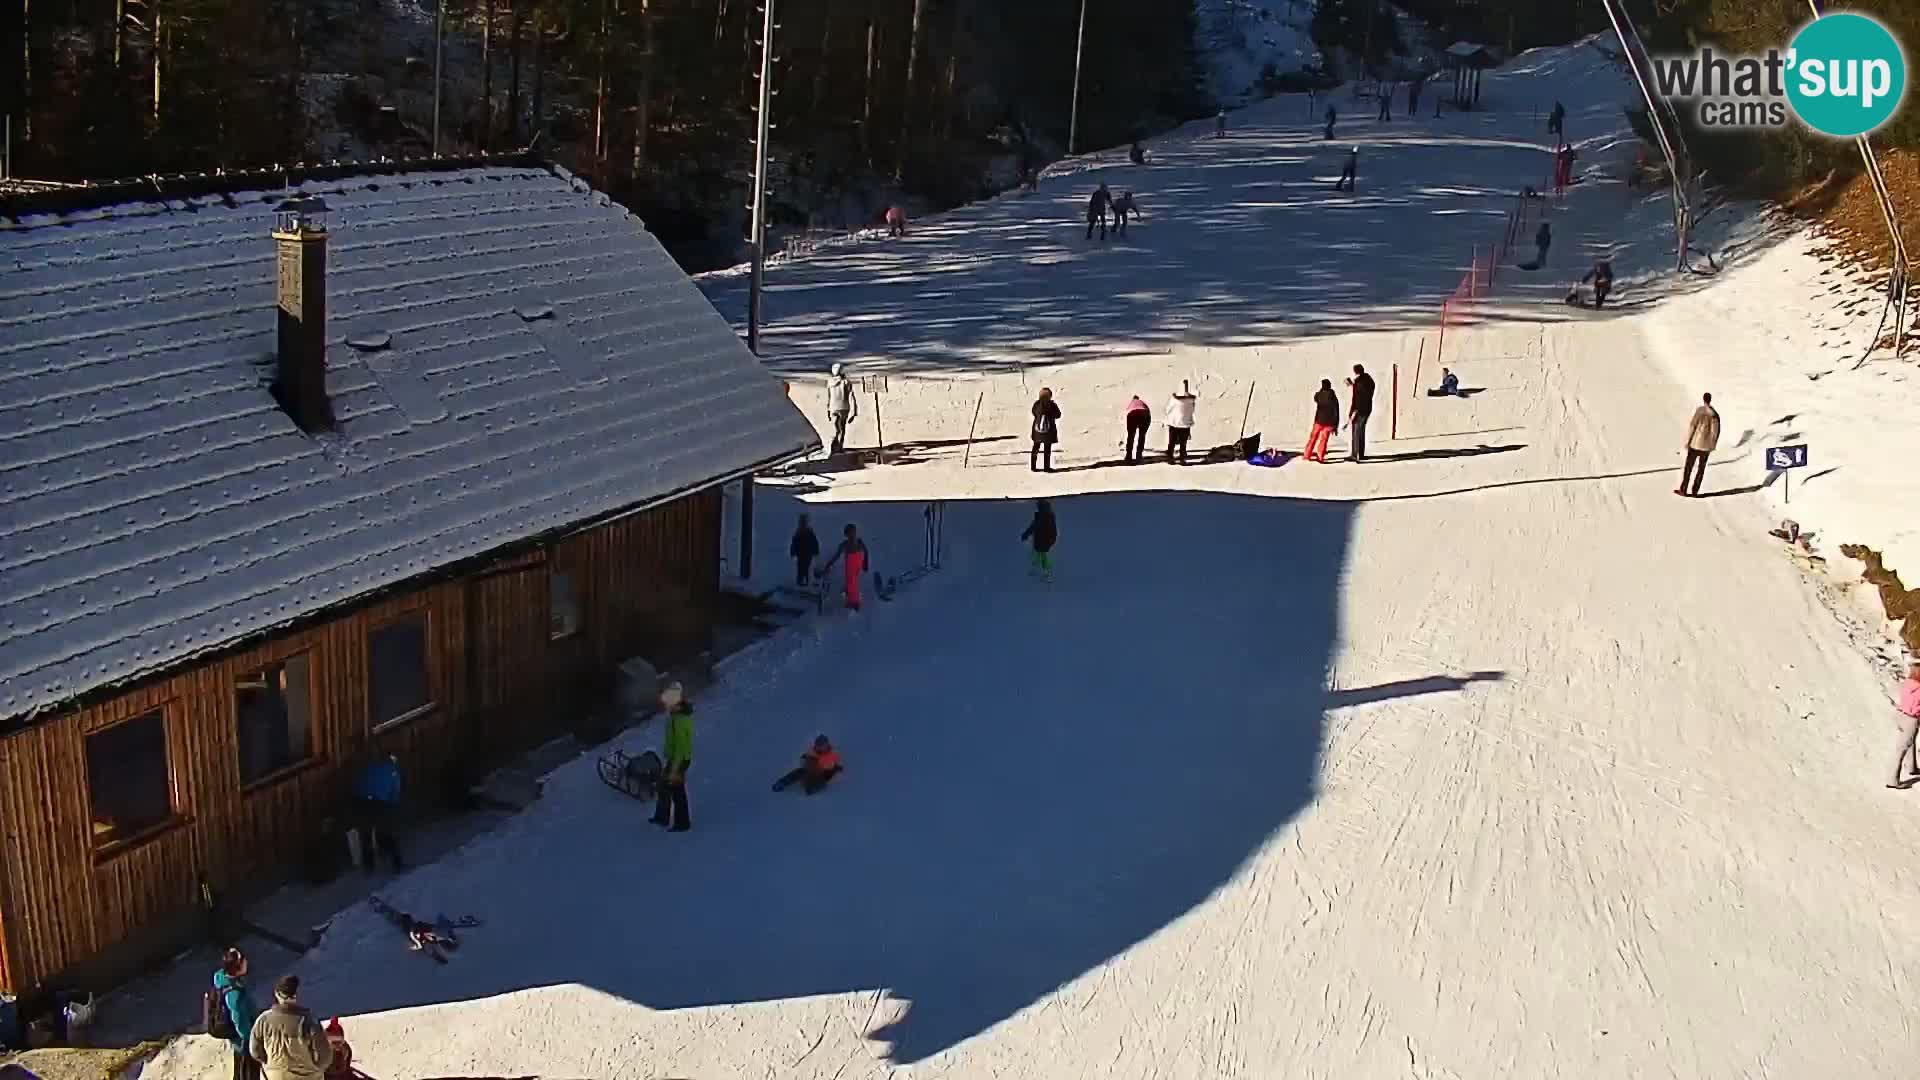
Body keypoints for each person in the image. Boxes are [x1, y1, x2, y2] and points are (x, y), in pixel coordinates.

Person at [248, 976, 332, 1080]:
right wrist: (312, 1069)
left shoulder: (263, 1020)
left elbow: (255, 1051)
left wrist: (271, 1065)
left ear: (277, 994)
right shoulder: (308, 1021)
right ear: (295, 995)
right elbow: (325, 1056)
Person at [649, 683, 694, 831]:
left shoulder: (679, 721)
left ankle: (682, 823)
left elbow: (681, 746)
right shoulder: (675, 718)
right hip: (675, 758)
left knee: (677, 790)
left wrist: (675, 768)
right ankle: (662, 817)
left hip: (679, 760)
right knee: (663, 786)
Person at [214, 949, 263, 1080]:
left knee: (239, 1070)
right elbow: (240, 1023)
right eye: (243, 960)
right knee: (247, 1073)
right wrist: (252, 1040)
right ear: (238, 967)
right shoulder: (235, 996)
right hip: (244, 1042)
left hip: (237, 1040)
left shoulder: (220, 977)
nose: (246, 961)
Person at [353, 751, 404, 872]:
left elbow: (357, 784)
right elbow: (395, 794)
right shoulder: (393, 772)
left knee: (366, 833)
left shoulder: (370, 766)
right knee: (387, 830)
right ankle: (396, 862)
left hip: (361, 801)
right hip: (379, 802)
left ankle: (369, 865)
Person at [1675, 392, 1720, 497]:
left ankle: (1684, 489)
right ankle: (1695, 491)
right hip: (1706, 447)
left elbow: (1692, 426)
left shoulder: (1700, 411)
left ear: (1704, 399)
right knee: (1701, 469)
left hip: (1695, 444)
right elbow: (1715, 433)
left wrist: (1687, 441)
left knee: (1688, 467)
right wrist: (1712, 445)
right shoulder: (1715, 414)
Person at [820, 524, 869, 610]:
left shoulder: (848, 544)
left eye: (852, 533)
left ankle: (853, 603)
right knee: (853, 582)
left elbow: (837, 555)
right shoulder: (856, 542)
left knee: (852, 582)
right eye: (851, 533)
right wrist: (865, 563)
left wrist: (829, 564)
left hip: (853, 564)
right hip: (855, 563)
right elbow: (865, 552)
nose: (852, 535)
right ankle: (852, 599)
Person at [773, 735, 843, 795]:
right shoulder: (812, 751)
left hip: (821, 776)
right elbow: (804, 760)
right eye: (819, 745)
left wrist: (835, 768)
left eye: (823, 745)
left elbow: (833, 766)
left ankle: (812, 788)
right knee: (801, 771)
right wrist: (806, 761)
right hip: (808, 772)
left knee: (816, 782)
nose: (820, 747)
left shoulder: (832, 754)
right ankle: (782, 782)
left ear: (827, 745)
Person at [1889, 662, 1920, 789]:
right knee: (1901, 750)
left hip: (1900, 715)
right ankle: (1892, 780)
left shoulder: (1907, 684)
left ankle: (1912, 767)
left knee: (1909, 742)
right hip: (1911, 719)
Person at [1020, 499, 1058, 583]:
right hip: (1039, 540)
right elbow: (1033, 526)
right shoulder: (1040, 516)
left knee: (1043, 556)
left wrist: (1051, 540)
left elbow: (1053, 531)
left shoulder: (1048, 517)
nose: (1038, 508)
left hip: (1044, 541)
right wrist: (1026, 534)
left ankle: (1047, 574)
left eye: (1039, 506)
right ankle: (1036, 569)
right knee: (1036, 554)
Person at [1345, 363, 1376, 462]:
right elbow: (1365, 391)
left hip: (1359, 409)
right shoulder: (1368, 380)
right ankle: (1360, 454)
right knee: (1361, 431)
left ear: (1355, 371)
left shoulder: (1359, 383)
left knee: (1356, 432)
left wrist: (1353, 411)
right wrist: (1354, 383)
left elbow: (1357, 398)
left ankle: (1355, 455)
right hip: (1367, 409)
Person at [1304, 379, 1340, 463]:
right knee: (1324, 440)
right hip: (1329, 422)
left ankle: (1307, 455)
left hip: (1319, 420)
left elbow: (1315, 397)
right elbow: (1337, 411)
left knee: (1313, 438)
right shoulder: (1333, 397)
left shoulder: (1319, 395)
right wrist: (1336, 425)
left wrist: (1321, 391)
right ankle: (1320, 456)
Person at [826, 362, 857, 455]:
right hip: (844, 408)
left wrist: (827, 409)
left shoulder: (829, 382)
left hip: (833, 408)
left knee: (835, 428)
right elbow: (851, 396)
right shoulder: (846, 382)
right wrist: (854, 411)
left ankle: (833, 446)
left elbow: (828, 397)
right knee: (842, 428)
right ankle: (839, 446)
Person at [1030, 387, 1061, 472]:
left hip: (1037, 431)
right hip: (1049, 431)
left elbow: (1033, 412)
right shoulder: (1052, 405)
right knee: (1047, 449)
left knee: (1035, 447)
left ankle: (1033, 466)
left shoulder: (1037, 404)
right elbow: (1058, 415)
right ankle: (1046, 467)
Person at [1166, 380, 1197, 464]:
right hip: (1185, 424)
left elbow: (1168, 409)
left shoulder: (1175, 400)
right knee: (1183, 443)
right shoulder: (1191, 401)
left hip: (1174, 423)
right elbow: (1192, 410)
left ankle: (1170, 458)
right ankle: (1182, 459)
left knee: (1171, 442)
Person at [790, 514, 820, 587]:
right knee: (800, 568)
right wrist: (793, 552)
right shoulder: (798, 532)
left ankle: (807, 582)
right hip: (800, 554)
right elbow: (794, 543)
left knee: (807, 568)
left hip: (808, 553)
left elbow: (815, 542)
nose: (803, 523)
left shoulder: (809, 531)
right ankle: (800, 582)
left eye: (804, 521)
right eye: (802, 521)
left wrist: (816, 551)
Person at [1123, 395, 1152, 464]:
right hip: (1145, 414)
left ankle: (1128, 456)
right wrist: (1145, 428)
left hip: (1132, 414)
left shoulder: (1131, 403)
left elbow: (1127, 413)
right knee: (1142, 436)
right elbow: (1149, 413)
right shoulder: (1142, 402)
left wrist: (1130, 430)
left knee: (1131, 436)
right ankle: (1139, 456)